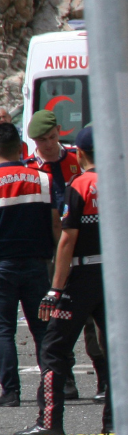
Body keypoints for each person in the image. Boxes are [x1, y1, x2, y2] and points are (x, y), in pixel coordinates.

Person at [16, 126, 112, 435]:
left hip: (81, 278)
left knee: (53, 349)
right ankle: (117, 421)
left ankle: (49, 422)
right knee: (117, 350)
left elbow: (68, 239)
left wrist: (55, 289)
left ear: (79, 153)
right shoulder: (123, 183)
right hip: (116, 277)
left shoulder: (80, 184)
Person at [24, 109, 102, 402]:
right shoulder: (30, 167)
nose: (47, 145)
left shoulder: (75, 159)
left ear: (59, 131)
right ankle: (65, 380)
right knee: (54, 319)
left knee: (93, 322)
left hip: (80, 248)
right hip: (49, 251)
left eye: (51, 137)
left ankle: (103, 377)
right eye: (41, 141)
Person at [0, 122, 58, 407]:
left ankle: (10, 392)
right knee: (43, 329)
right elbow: (56, 225)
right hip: (38, 263)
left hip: (3, 265)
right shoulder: (44, 179)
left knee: (3, 330)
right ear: (20, 148)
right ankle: (51, 389)